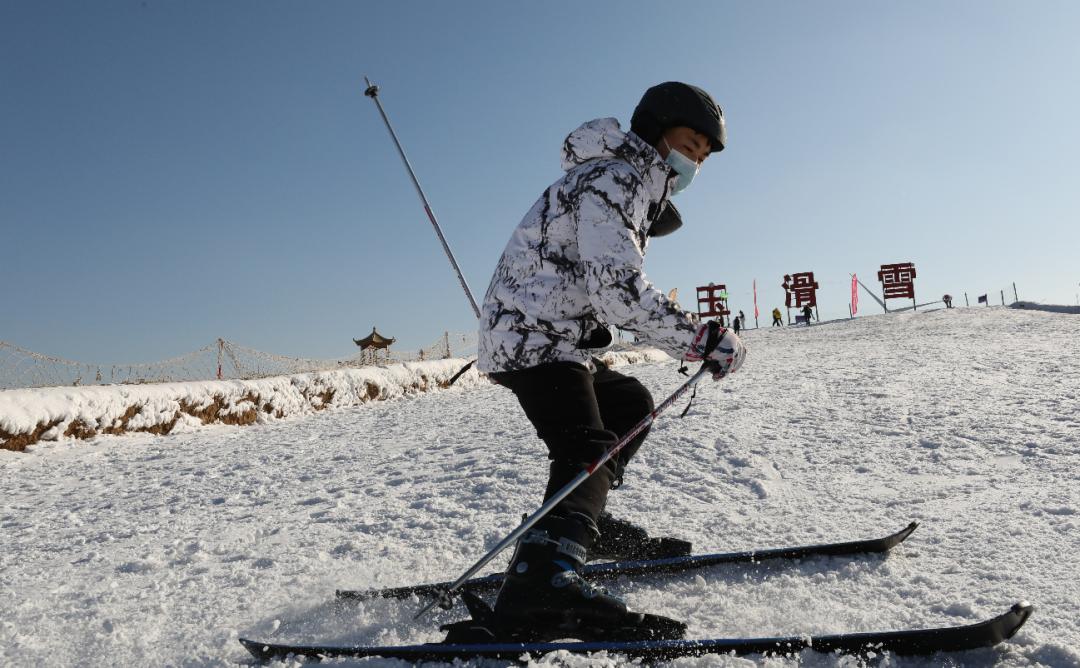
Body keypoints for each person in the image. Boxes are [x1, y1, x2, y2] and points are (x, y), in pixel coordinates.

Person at [477, 82, 746, 633]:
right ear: (656, 128)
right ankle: (542, 582)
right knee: (585, 445)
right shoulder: (614, 179)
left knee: (628, 401)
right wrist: (704, 339)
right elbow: (618, 291)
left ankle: (578, 522)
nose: (695, 158)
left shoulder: (627, 182)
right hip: (534, 336)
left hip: (550, 335)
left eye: (703, 154)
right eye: (690, 142)